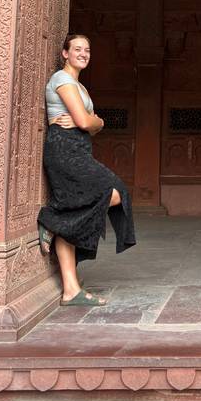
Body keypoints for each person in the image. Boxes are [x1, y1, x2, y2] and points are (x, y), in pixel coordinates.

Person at [38, 34, 136, 306]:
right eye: (77, 49)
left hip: (78, 149)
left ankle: (71, 290)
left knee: (75, 212)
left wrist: (97, 122)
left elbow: (93, 123)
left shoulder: (79, 87)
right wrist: (93, 121)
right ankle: (51, 219)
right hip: (65, 149)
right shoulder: (62, 80)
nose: (83, 53)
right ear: (64, 54)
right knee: (116, 192)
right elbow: (83, 121)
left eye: (87, 50)